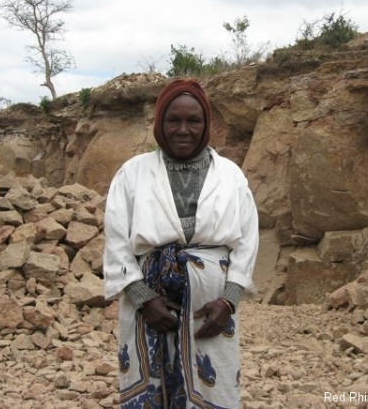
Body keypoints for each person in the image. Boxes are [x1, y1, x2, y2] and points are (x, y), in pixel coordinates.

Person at [103, 79, 259, 409]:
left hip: (211, 308)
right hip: (150, 304)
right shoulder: (133, 173)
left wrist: (229, 302)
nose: (183, 130)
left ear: (207, 124)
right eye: (174, 120)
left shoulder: (231, 175)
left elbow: (247, 241)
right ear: (160, 123)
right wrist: (143, 298)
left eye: (194, 120)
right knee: (151, 388)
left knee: (213, 387)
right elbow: (117, 240)